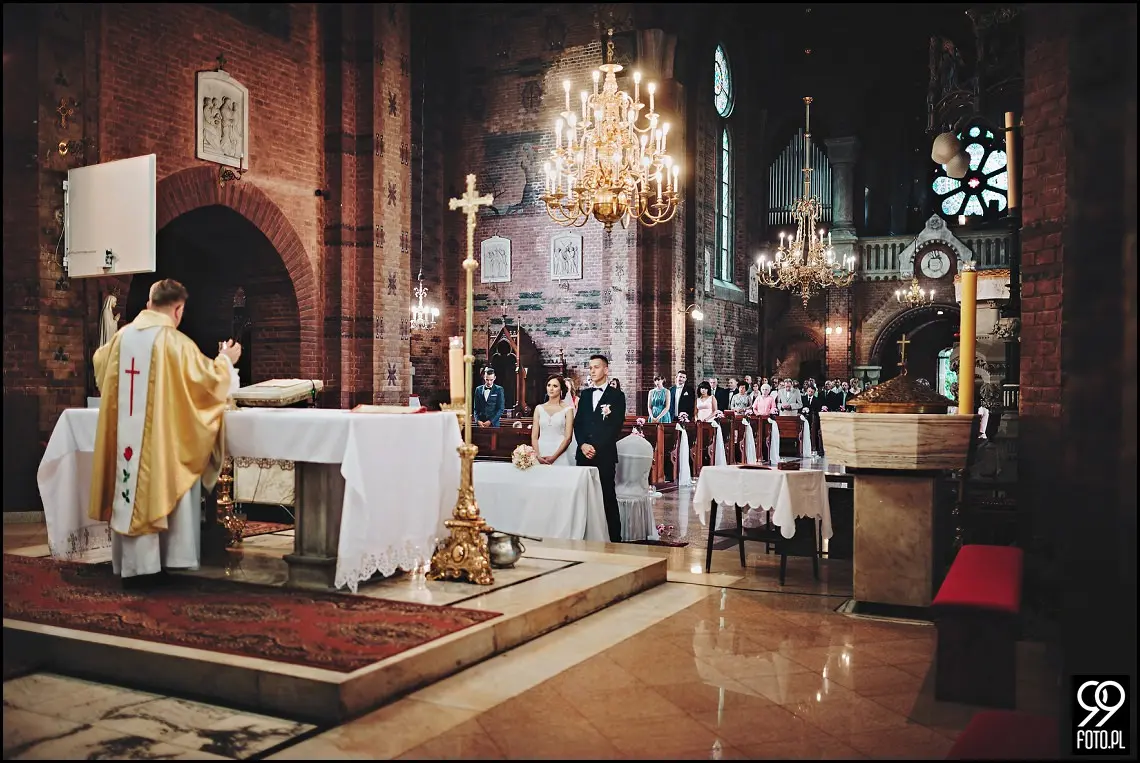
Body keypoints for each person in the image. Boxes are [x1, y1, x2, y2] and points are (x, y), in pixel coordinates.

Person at [89, 279, 241, 583]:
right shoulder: (176, 344)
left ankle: (132, 566)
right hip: (157, 445)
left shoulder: (120, 339)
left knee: (130, 486)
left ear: (149, 303)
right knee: (159, 482)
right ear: (179, 309)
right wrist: (225, 360)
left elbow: (100, 362)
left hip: (125, 442)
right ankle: (163, 563)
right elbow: (209, 384)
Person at [574, 354, 626, 542]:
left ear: (606, 370)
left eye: (596, 367)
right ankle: (585, 534)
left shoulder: (617, 396)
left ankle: (615, 538)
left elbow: (615, 427)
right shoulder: (586, 395)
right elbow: (577, 423)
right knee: (584, 496)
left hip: (603, 454)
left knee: (607, 496)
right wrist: (583, 445)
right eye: (590, 368)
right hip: (583, 453)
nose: (592, 371)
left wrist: (595, 446)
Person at [532, 375, 576, 465]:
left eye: (555, 386)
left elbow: (568, 438)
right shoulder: (539, 408)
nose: (551, 389)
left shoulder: (568, 410)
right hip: (541, 450)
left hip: (559, 452)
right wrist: (538, 455)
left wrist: (554, 457)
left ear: (561, 389)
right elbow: (534, 436)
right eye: (549, 385)